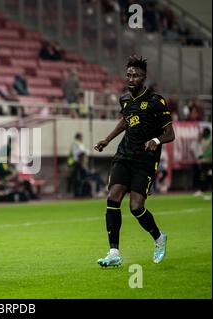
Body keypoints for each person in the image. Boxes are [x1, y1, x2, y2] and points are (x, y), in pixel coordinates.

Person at [94, 55, 175, 268]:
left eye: (136, 75)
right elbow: (125, 121)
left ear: (144, 76)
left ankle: (158, 238)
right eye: (129, 74)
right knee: (113, 198)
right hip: (123, 156)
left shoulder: (157, 102)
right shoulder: (125, 100)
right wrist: (107, 139)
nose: (131, 78)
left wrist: (156, 140)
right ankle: (114, 253)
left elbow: (170, 133)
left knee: (136, 207)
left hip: (145, 161)